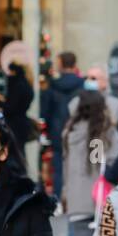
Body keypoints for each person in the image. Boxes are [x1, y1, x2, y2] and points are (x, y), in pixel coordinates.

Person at [58, 89, 118, 236]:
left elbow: (65, 167)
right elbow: (100, 165)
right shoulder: (99, 132)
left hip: (75, 200)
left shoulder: (69, 131)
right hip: (98, 201)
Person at [39, 51, 85, 200]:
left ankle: (58, 199)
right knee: (77, 166)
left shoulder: (52, 87)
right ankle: (75, 197)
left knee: (58, 168)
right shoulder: (83, 86)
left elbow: (44, 112)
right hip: (78, 132)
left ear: (60, 64)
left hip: (57, 132)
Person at [3, 62, 36, 158]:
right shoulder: (27, 84)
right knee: (20, 153)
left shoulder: (18, 85)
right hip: (22, 124)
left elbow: (11, 107)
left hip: (15, 125)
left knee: (15, 154)